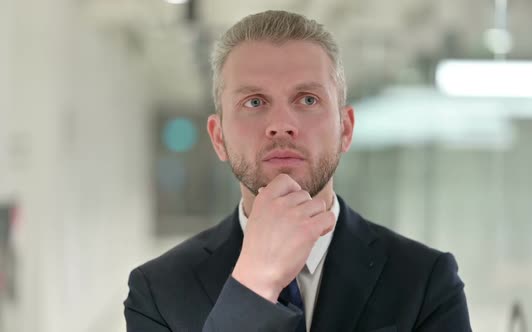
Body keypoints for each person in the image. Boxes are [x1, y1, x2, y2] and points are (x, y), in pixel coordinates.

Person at [124, 10, 471, 332]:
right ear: (219, 138)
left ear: (345, 129)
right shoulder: (157, 292)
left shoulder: (425, 281)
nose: (281, 125)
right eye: (255, 102)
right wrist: (254, 283)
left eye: (307, 99)